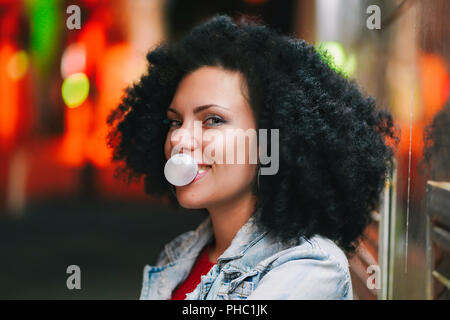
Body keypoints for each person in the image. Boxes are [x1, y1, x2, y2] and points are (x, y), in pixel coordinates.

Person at [107, 14, 398, 300]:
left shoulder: (311, 268)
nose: (178, 139)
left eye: (213, 120)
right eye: (174, 121)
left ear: (269, 143)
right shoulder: (179, 253)